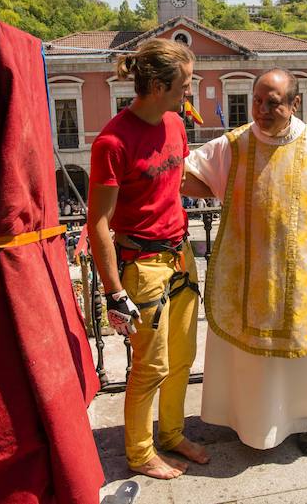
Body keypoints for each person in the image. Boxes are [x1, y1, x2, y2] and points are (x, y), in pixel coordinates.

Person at [183, 68, 307, 456]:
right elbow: (187, 174)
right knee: (253, 362)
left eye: (273, 103)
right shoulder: (234, 145)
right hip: (247, 276)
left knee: (305, 357)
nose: (262, 110)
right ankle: (248, 422)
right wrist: (220, 191)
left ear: (294, 103)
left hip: (304, 278)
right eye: (257, 101)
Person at [87, 38, 209, 480]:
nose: (188, 93)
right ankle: (139, 453)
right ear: (156, 85)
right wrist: (114, 293)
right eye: (184, 84)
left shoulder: (175, 124)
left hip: (179, 256)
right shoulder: (112, 143)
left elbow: (176, 184)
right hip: (141, 267)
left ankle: (172, 433)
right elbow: (98, 223)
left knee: (182, 356)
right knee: (150, 365)